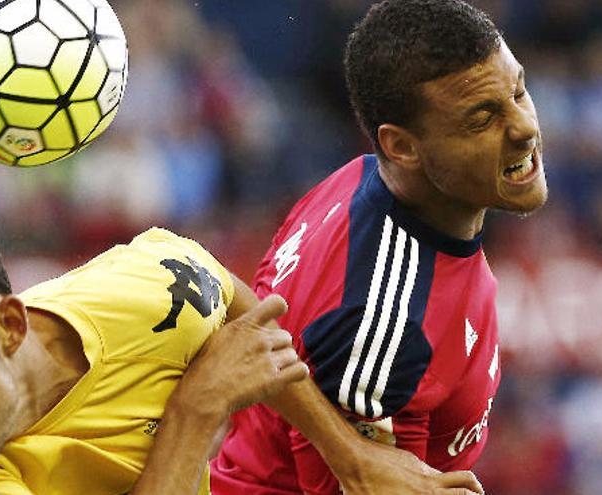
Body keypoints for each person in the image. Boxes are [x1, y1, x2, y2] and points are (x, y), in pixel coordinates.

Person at [0, 192, 483, 495]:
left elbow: (235, 313)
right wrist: (195, 413)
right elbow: (211, 389)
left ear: (10, 325)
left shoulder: (152, 292)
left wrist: (353, 459)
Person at [212, 0, 548, 494]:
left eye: (519, 91)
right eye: (482, 119)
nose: (524, 128)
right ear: (402, 147)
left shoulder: (358, 180)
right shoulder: (387, 326)